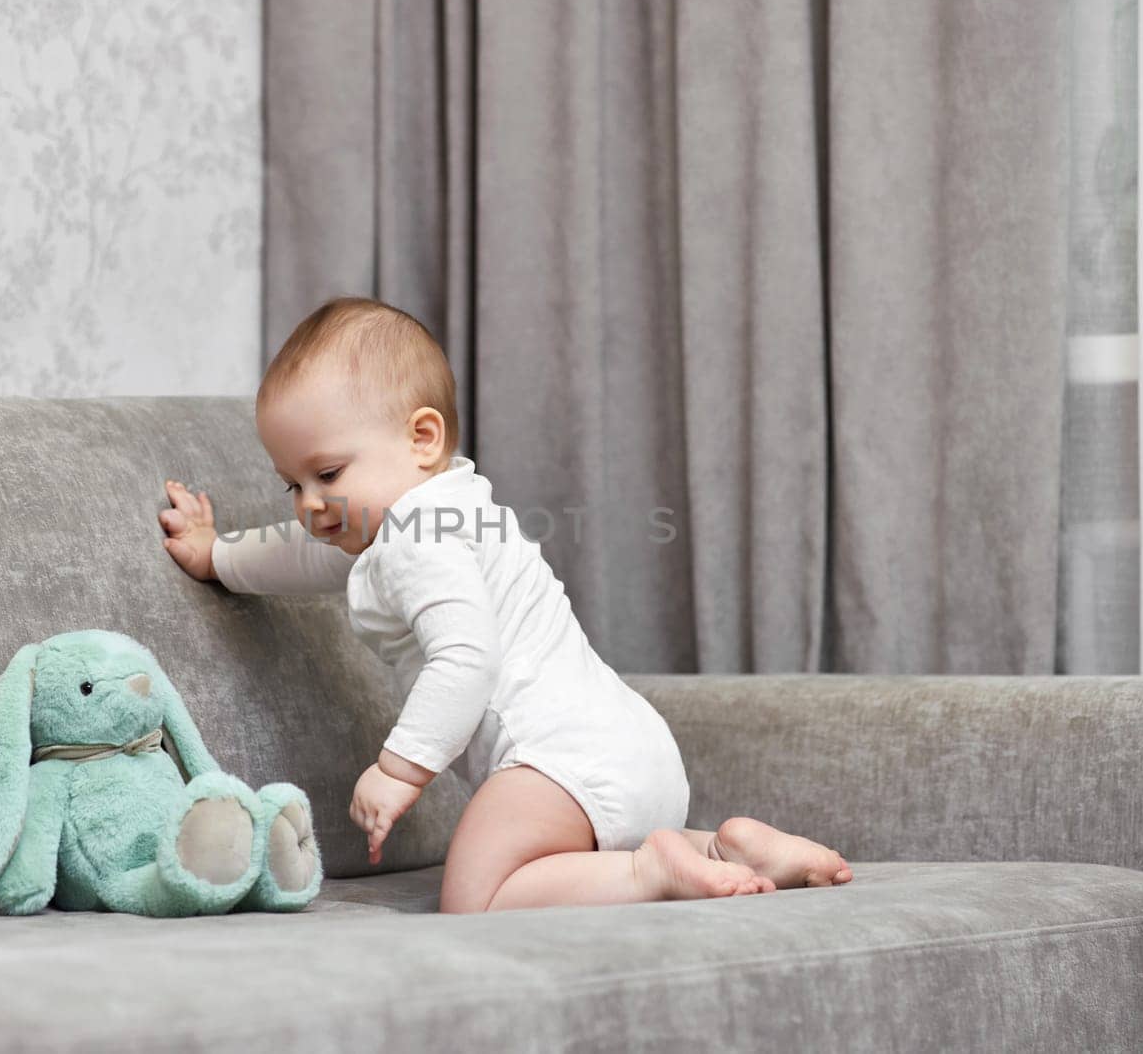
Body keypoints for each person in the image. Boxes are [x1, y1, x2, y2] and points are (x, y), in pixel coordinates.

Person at [159, 296, 852, 913]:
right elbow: (304, 551)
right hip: (630, 754)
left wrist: (400, 767)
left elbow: (466, 657)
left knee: (475, 894)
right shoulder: (445, 504)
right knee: (544, 864)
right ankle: (730, 852)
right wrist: (217, 554)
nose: (310, 503)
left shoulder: (415, 541)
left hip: (558, 762)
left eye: (328, 473)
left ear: (422, 438)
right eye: (293, 485)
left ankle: (647, 871)